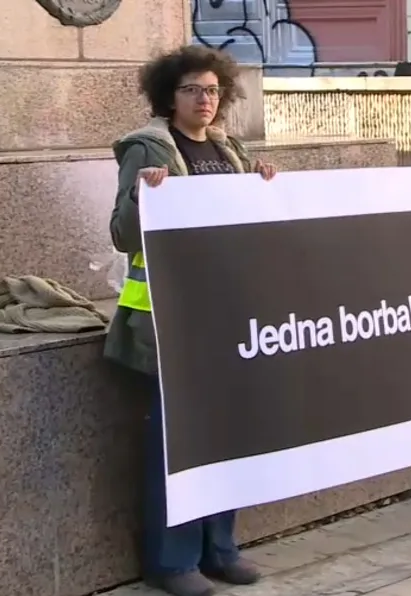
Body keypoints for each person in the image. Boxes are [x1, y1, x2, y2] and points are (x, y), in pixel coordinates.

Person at [106, 46, 278, 596]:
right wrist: (143, 196)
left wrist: (265, 183)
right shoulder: (149, 149)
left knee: (225, 437)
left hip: (224, 316)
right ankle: (172, 562)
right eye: (191, 90)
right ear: (169, 97)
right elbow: (123, 234)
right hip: (168, 322)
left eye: (211, 90)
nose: (204, 99)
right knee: (177, 447)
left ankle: (219, 549)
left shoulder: (231, 150)